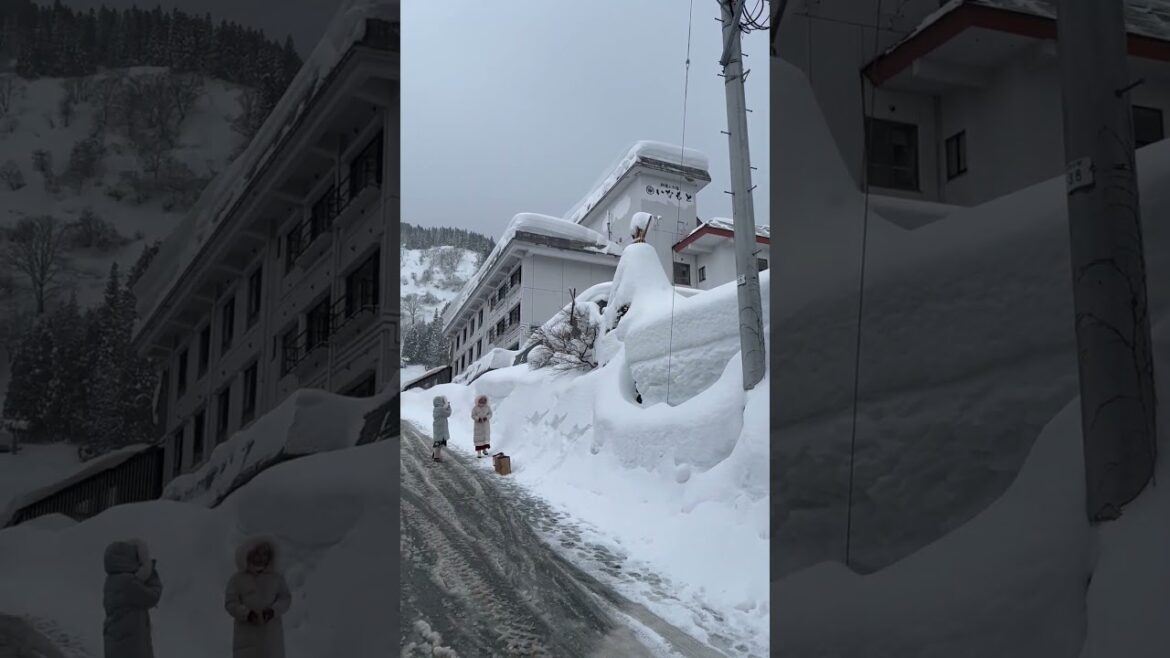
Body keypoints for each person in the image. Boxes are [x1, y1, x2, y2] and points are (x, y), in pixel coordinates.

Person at [225, 536, 292, 658]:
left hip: (271, 643)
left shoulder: (277, 579)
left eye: (264, 554)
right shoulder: (237, 580)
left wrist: (272, 611)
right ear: (249, 554)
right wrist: (247, 614)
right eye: (257, 553)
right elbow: (230, 603)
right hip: (246, 642)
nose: (261, 558)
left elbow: (285, 599)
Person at [103, 539, 163, 658]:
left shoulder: (111, 580)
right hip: (130, 646)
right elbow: (153, 596)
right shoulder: (128, 583)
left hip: (118, 643)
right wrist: (151, 573)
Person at [432, 395, 451, 462]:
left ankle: (435, 454)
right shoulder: (440, 409)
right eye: (442, 401)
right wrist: (448, 405)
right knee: (439, 444)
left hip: (438, 428)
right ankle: (436, 457)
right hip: (441, 429)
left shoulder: (436, 408)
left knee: (438, 443)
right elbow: (448, 413)